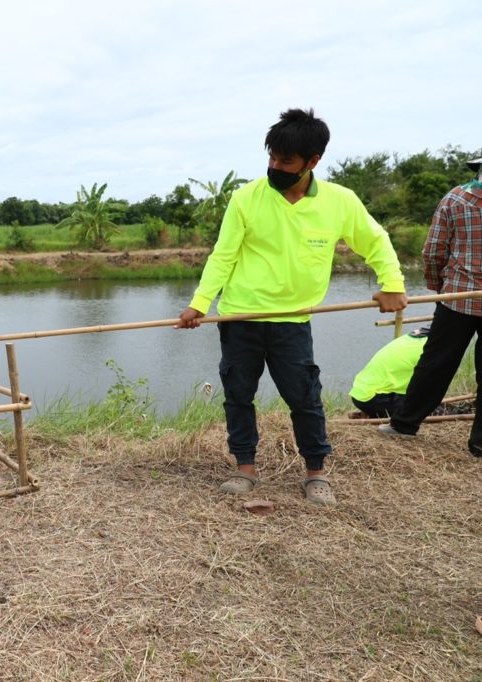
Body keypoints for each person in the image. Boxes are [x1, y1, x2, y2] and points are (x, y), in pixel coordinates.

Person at [176, 108, 407, 507]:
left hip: (293, 322)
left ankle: (316, 473)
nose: (275, 167)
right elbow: (223, 256)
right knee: (238, 394)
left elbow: (375, 240)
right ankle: (244, 469)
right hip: (240, 317)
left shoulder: (340, 201)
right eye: (271, 158)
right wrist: (199, 303)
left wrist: (393, 284)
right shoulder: (246, 197)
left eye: (286, 161)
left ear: (313, 161)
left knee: (304, 398)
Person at [380, 156, 482, 454]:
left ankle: (404, 424)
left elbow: (433, 250)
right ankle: (479, 445)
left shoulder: (455, 199)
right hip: (457, 296)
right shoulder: (455, 199)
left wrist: (439, 287)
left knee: (436, 363)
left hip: (457, 298)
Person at [349, 327, 430, 418]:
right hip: (375, 398)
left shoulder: (419, 336)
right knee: (430, 409)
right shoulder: (434, 347)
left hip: (360, 393)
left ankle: (373, 414)